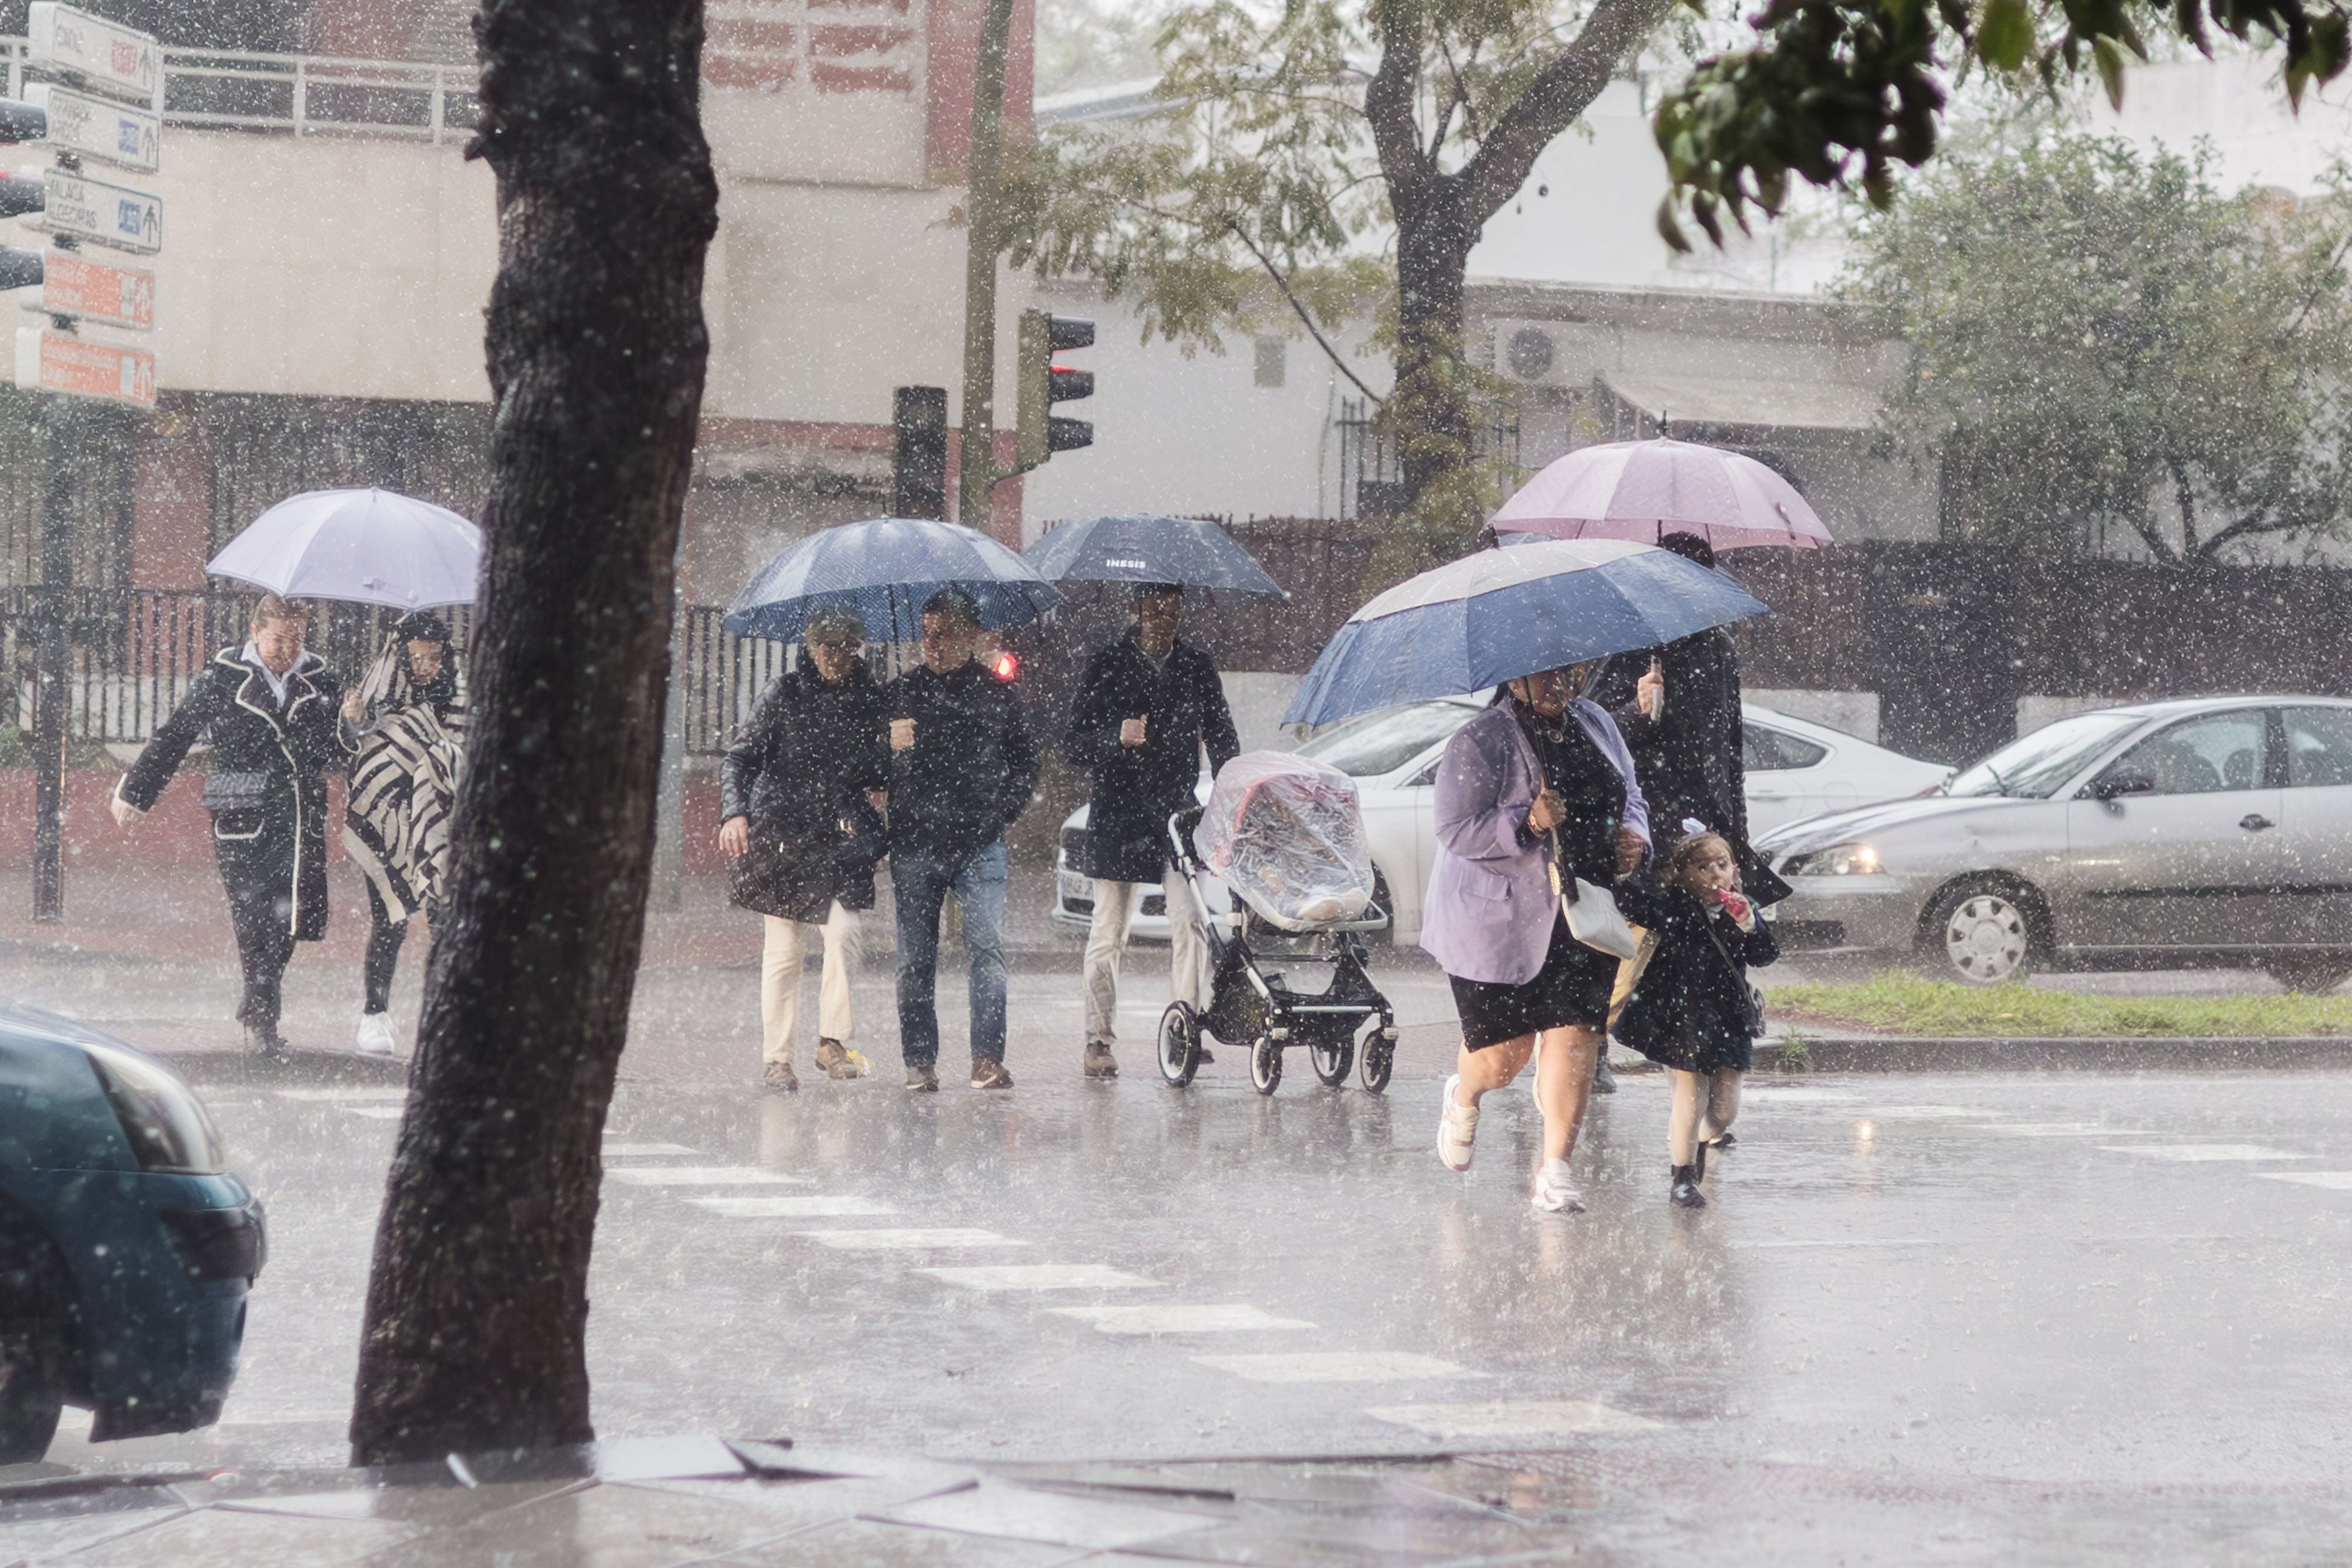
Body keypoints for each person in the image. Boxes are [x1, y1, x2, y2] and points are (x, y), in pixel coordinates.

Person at [1424, 664, 1649, 1213]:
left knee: (1575, 1035)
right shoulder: (1480, 739)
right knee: (1505, 1057)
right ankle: (1465, 1092)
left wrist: (1634, 837)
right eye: (1543, 675)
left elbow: (1632, 794)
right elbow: (1455, 828)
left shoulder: (1595, 722)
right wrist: (1527, 822)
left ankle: (1555, 1169)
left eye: (1567, 671)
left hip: (1580, 910)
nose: (1559, 684)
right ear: (1513, 678)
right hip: (1499, 923)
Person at [111, 594, 356, 1058]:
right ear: (255, 632)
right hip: (241, 808)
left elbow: (335, 752)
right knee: (254, 911)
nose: (288, 648)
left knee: (295, 914)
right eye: (278, 638)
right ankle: (265, 1013)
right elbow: (177, 733)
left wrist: (349, 725)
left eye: (296, 637)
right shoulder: (223, 676)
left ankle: (259, 992)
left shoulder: (322, 678)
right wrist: (137, 792)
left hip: (299, 811)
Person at [1063, 583, 1241, 1079]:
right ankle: (1098, 1040)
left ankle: (1186, 1025)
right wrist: (1114, 739)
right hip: (1118, 815)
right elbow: (1072, 740)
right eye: (1155, 612)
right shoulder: (1107, 662)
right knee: (1108, 931)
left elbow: (1224, 734)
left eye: (1174, 613)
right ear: (1136, 611)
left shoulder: (1196, 665)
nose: (1164, 622)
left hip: (1175, 814)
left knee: (1191, 921)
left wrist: (1233, 789)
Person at [719, 604, 889, 1092]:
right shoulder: (784, 694)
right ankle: (778, 1059)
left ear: (857, 649)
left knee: (844, 931)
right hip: (782, 836)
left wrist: (896, 748)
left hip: (840, 838)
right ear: (810, 648)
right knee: (785, 949)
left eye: (845, 647)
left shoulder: (870, 699)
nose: (836, 656)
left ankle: (831, 1040)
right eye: (826, 646)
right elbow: (740, 758)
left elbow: (877, 772)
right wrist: (735, 812)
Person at [886, 588, 1037, 1092]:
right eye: (927, 634)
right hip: (915, 843)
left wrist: (1000, 811)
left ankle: (987, 1058)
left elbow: (1026, 763)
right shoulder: (900, 695)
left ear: (971, 636)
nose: (934, 644)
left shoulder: (996, 695)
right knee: (914, 958)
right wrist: (894, 749)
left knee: (987, 949)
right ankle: (919, 1061)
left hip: (979, 842)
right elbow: (872, 767)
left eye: (945, 634)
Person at [1616, 830, 1780, 1208]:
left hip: (1728, 1016)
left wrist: (1748, 923)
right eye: (1702, 867)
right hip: (1679, 1014)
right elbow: (1630, 902)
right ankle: (1683, 1177)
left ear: (1735, 870)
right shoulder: (1672, 906)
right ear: (1681, 875)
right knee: (1690, 1099)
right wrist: (1624, 872)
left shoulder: (1742, 911)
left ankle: (1702, 1140)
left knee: (1723, 1112)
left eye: (1722, 865)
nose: (1714, 875)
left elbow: (1766, 954)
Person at [342, 611, 465, 1057]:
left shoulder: (459, 700)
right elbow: (353, 755)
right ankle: (375, 1013)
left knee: (443, 923)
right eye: (416, 656)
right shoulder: (375, 696)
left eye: (434, 657)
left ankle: (449, 1017)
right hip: (386, 821)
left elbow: (470, 753)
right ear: (401, 654)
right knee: (390, 920)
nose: (425, 665)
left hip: (442, 824)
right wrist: (354, 722)